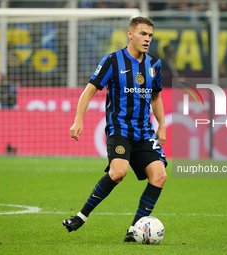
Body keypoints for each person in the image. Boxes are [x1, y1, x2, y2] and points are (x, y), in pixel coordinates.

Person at [62, 17, 168, 242]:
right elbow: (89, 90)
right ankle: (81, 216)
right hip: (119, 130)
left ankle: (133, 231)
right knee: (119, 172)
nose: (147, 39)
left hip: (144, 132)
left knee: (159, 176)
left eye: (150, 35)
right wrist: (78, 119)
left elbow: (156, 96)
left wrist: (162, 125)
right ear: (130, 34)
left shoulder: (154, 64)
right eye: (142, 34)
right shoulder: (112, 61)